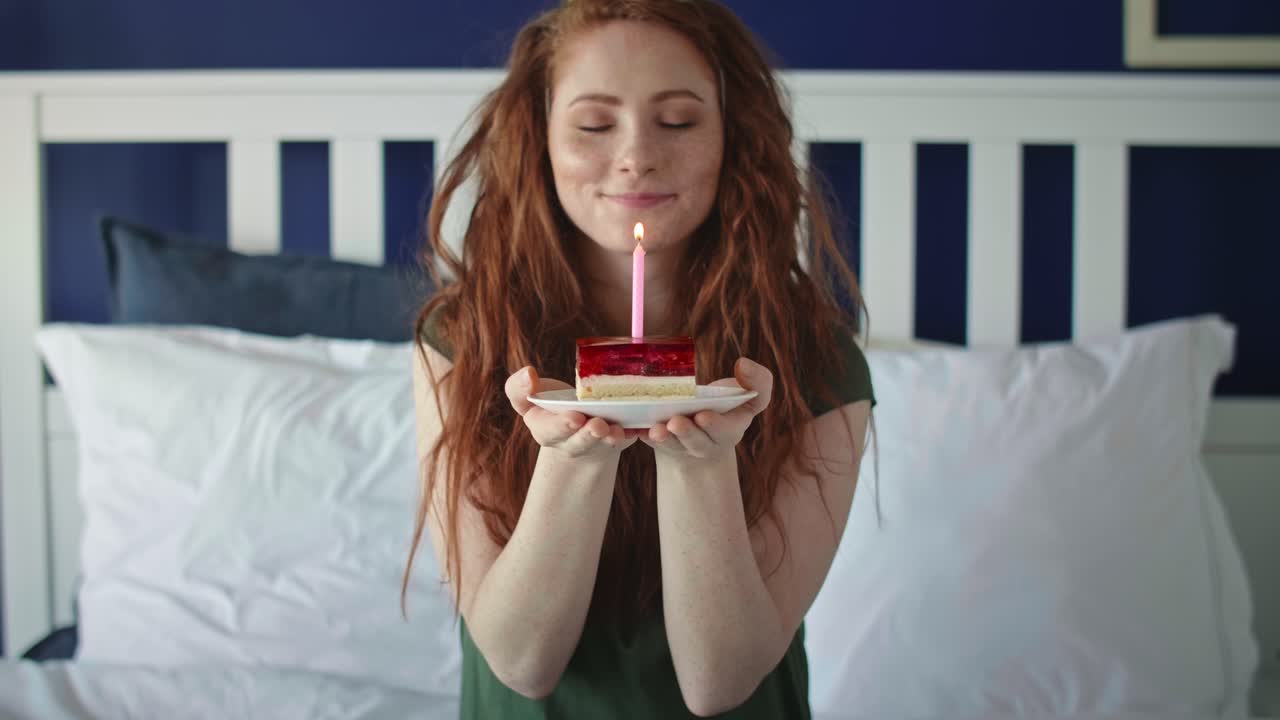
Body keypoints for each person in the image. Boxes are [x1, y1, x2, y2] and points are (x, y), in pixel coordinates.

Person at [403, 0, 875, 716]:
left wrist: (700, 463)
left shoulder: (816, 361)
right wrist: (573, 458)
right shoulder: (462, 340)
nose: (636, 155)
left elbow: (719, 684)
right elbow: (522, 663)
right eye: (594, 124)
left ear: (731, 138)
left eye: (679, 121)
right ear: (540, 140)